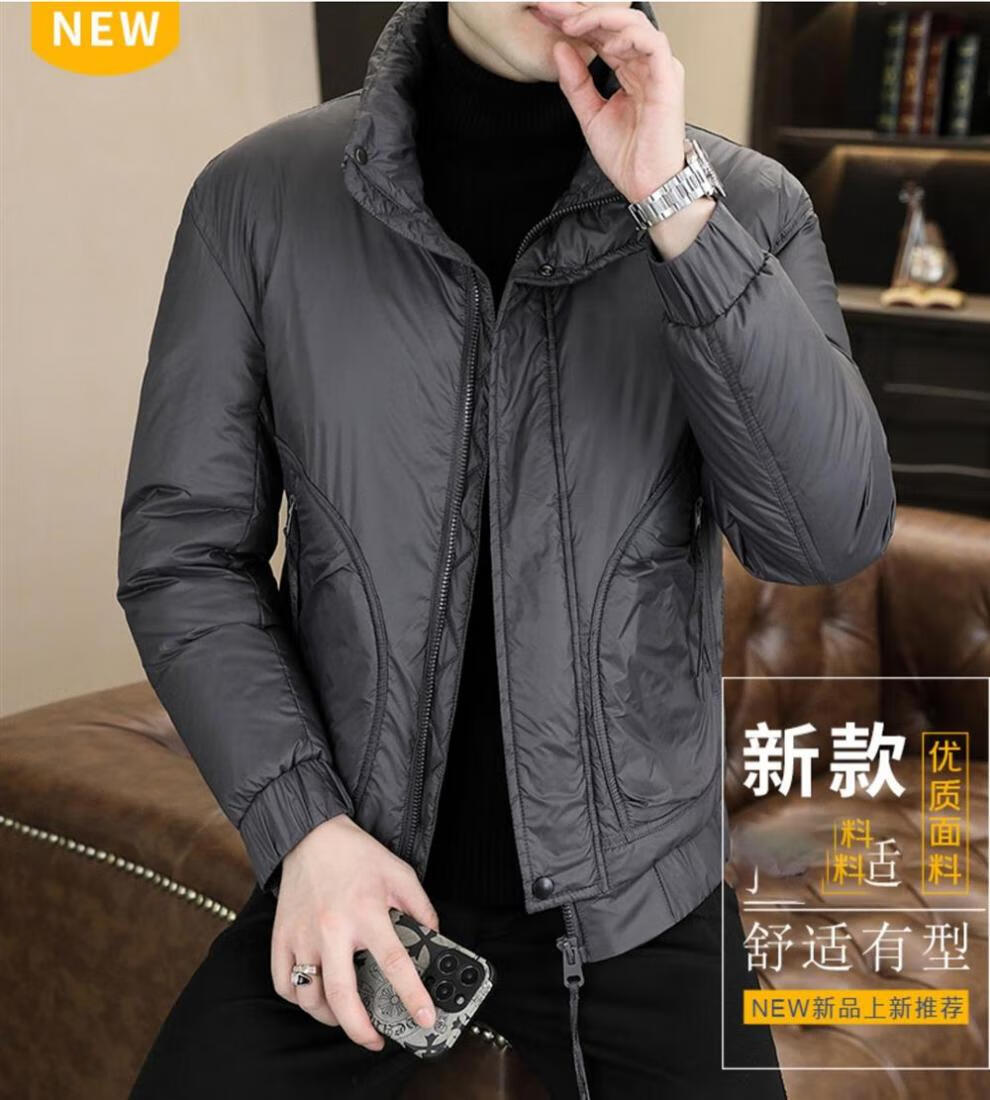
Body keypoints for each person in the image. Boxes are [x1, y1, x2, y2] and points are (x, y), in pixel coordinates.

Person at [117, 2, 896, 1098]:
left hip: (637, 901)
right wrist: (307, 830)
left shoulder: (746, 204)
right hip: (358, 867)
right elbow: (184, 552)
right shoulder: (259, 198)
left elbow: (824, 535)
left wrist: (675, 207)